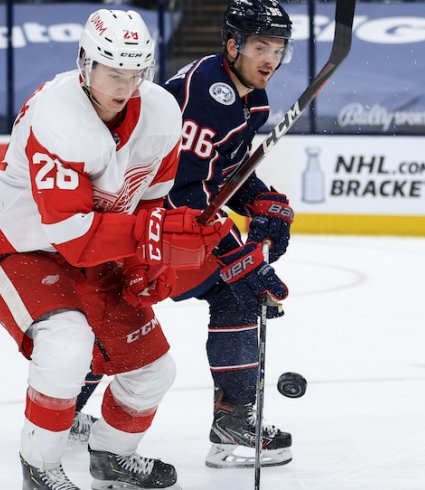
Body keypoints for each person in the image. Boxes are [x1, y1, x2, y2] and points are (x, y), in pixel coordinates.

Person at [0, 9, 231, 490]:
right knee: (66, 345)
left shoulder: (162, 112)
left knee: (152, 371)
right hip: (17, 249)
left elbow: (149, 202)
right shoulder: (56, 117)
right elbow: (73, 237)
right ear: (85, 62)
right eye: (113, 72)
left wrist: (145, 262)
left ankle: (111, 457)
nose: (124, 85)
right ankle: (39, 467)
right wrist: (154, 236)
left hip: (93, 252)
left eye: (135, 73)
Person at [69, 0, 296, 470]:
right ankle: (233, 425)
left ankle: (61, 410)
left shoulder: (249, 96)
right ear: (233, 46)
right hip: (142, 222)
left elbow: (219, 173)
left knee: (119, 314)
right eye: (260, 46)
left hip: (150, 224)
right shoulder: (208, 97)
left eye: (278, 49)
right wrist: (240, 256)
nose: (270, 59)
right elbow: (177, 191)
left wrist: (260, 200)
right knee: (231, 290)